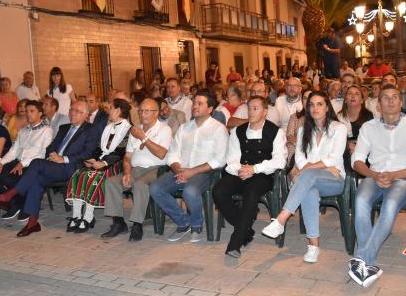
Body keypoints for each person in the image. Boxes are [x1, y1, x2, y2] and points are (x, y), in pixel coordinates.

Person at [348, 84, 406, 287]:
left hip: (405, 179)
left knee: (391, 203)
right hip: (375, 176)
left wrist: (396, 174)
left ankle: (362, 259)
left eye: (395, 96)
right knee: (359, 200)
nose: (391, 101)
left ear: (400, 101)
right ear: (379, 105)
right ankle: (369, 265)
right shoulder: (368, 127)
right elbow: (357, 160)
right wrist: (373, 174)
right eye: (385, 98)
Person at [262, 91, 347, 263]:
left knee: (308, 177)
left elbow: (335, 157)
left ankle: (281, 220)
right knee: (309, 191)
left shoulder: (339, 128)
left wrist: (309, 169)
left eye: (320, 104)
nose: (315, 108)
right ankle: (313, 245)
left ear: (327, 107)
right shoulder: (302, 130)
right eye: (311, 104)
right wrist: (318, 167)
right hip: (311, 180)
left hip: (334, 180)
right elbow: (299, 158)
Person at [0, 100, 98, 237]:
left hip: (71, 167)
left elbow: (87, 153)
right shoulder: (64, 128)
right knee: (36, 180)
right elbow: (51, 147)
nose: (73, 113)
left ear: (86, 115)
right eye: (72, 109)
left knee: (36, 163)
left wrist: (63, 159)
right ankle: (32, 223)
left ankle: (9, 195)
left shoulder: (91, 129)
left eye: (78, 111)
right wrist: (52, 155)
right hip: (54, 164)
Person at [213, 96, 287, 258]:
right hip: (239, 172)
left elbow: (280, 161)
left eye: (256, 108)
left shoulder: (275, 132)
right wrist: (241, 170)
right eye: (249, 108)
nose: (251, 112)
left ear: (265, 112)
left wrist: (255, 168)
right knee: (218, 191)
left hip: (262, 175)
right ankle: (246, 229)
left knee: (252, 192)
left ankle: (236, 242)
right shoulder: (238, 131)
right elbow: (231, 159)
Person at [150, 91, 228, 242]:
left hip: (206, 173)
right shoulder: (184, 128)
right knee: (155, 188)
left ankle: (197, 225)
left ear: (210, 108)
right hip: (181, 170)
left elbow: (219, 160)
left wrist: (192, 172)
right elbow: (172, 153)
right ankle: (183, 221)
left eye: (200, 103)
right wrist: (179, 170)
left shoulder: (218, 129)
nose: (195, 106)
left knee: (190, 191)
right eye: (194, 103)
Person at [101, 98, 173, 242]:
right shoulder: (135, 129)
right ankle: (118, 222)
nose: (142, 114)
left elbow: (161, 153)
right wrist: (127, 173)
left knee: (140, 184)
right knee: (111, 182)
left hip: (157, 169)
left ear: (156, 113)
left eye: (147, 111)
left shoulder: (164, 129)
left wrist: (143, 138)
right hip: (135, 169)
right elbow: (127, 157)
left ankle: (137, 224)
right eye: (140, 111)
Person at [65, 99, 132, 233]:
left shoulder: (128, 129)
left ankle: (88, 217)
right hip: (102, 161)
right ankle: (76, 216)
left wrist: (104, 163)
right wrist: (92, 159)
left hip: (117, 165)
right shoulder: (109, 127)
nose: (109, 110)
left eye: (111, 108)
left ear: (118, 110)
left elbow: (121, 152)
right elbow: (99, 148)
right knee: (78, 174)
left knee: (92, 176)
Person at [0, 100, 52, 220]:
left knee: (8, 178)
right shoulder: (23, 130)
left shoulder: (46, 130)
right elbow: (13, 151)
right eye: (26, 111)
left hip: (33, 165)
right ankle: (15, 202)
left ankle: (23, 206)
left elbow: (42, 154)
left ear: (40, 113)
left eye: (32, 111)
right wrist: (1, 163)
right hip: (17, 162)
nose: (28, 114)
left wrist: (23, 163)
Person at [337, 85, 373, 172]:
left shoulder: (368, 116)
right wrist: (347, 145)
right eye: (350, 93)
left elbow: (371, 139)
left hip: (365, 150)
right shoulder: (339, 116)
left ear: (361, 100)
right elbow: (336, 139)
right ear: (345, 100)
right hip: (345, 149)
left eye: (356, 94)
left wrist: (358, 147)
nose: (353, 96)